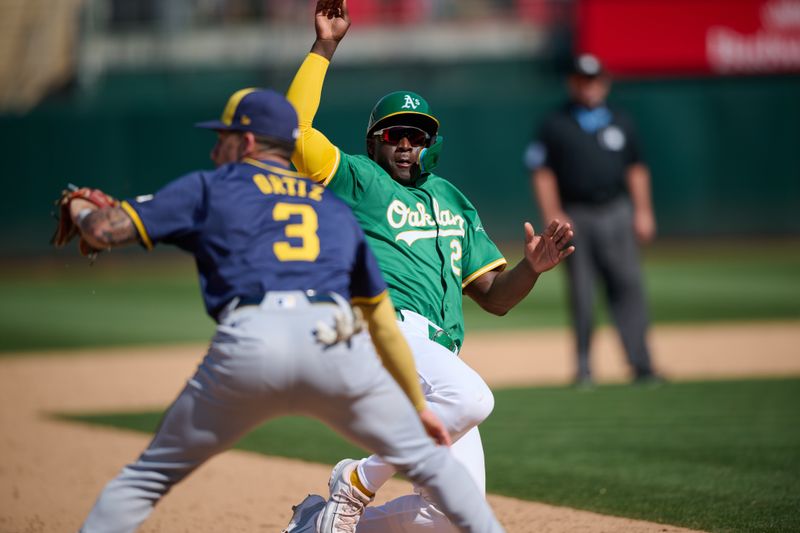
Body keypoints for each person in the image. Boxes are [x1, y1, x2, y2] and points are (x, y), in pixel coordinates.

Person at [61, 88, 507, 533]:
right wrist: (417, 407)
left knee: (146, 478)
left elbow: (103, 229)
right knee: (455, 489)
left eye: (224, 137)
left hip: (250, 345)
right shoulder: (330, 208)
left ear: (249, 143)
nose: (217, 147)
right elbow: (377, 317)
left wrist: (78, 207)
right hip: (328, 352)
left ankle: (339, 500)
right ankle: (337, 505)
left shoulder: (213, 186)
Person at [285, 2, 575, 532]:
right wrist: (324, 46)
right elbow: (293, 130)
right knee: (472, 396)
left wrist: (531, 268)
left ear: (430, 145)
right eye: (395, 134)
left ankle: (312, 525)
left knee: (452, 516)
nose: (405, 144)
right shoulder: (355, 179)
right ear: (375, 140)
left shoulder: (452, 199)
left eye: (417, 135)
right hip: (380, 332)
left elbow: (492, 294)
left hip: (433, 355)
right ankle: (356, 481)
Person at [527, 53, 661, 386]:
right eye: (582, 80)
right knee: (582, 293)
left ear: (604, 82)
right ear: (572, 83)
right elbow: (541, 172)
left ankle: (641, 363)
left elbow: (636, 168)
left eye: (594, 80)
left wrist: (643, 211)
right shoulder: (555, 122)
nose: (589, 87)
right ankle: (584, 367)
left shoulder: (620, 119)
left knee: (628, 286)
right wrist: (552, 214)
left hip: (616, 210)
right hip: (576, 214)